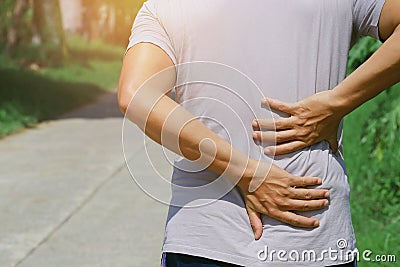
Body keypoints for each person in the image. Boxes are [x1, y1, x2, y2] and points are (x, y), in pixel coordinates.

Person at [118, 0, 400, 266]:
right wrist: (336, 103)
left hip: (204, 236)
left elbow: (137, 94)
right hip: (312, 235)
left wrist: (243, 171)